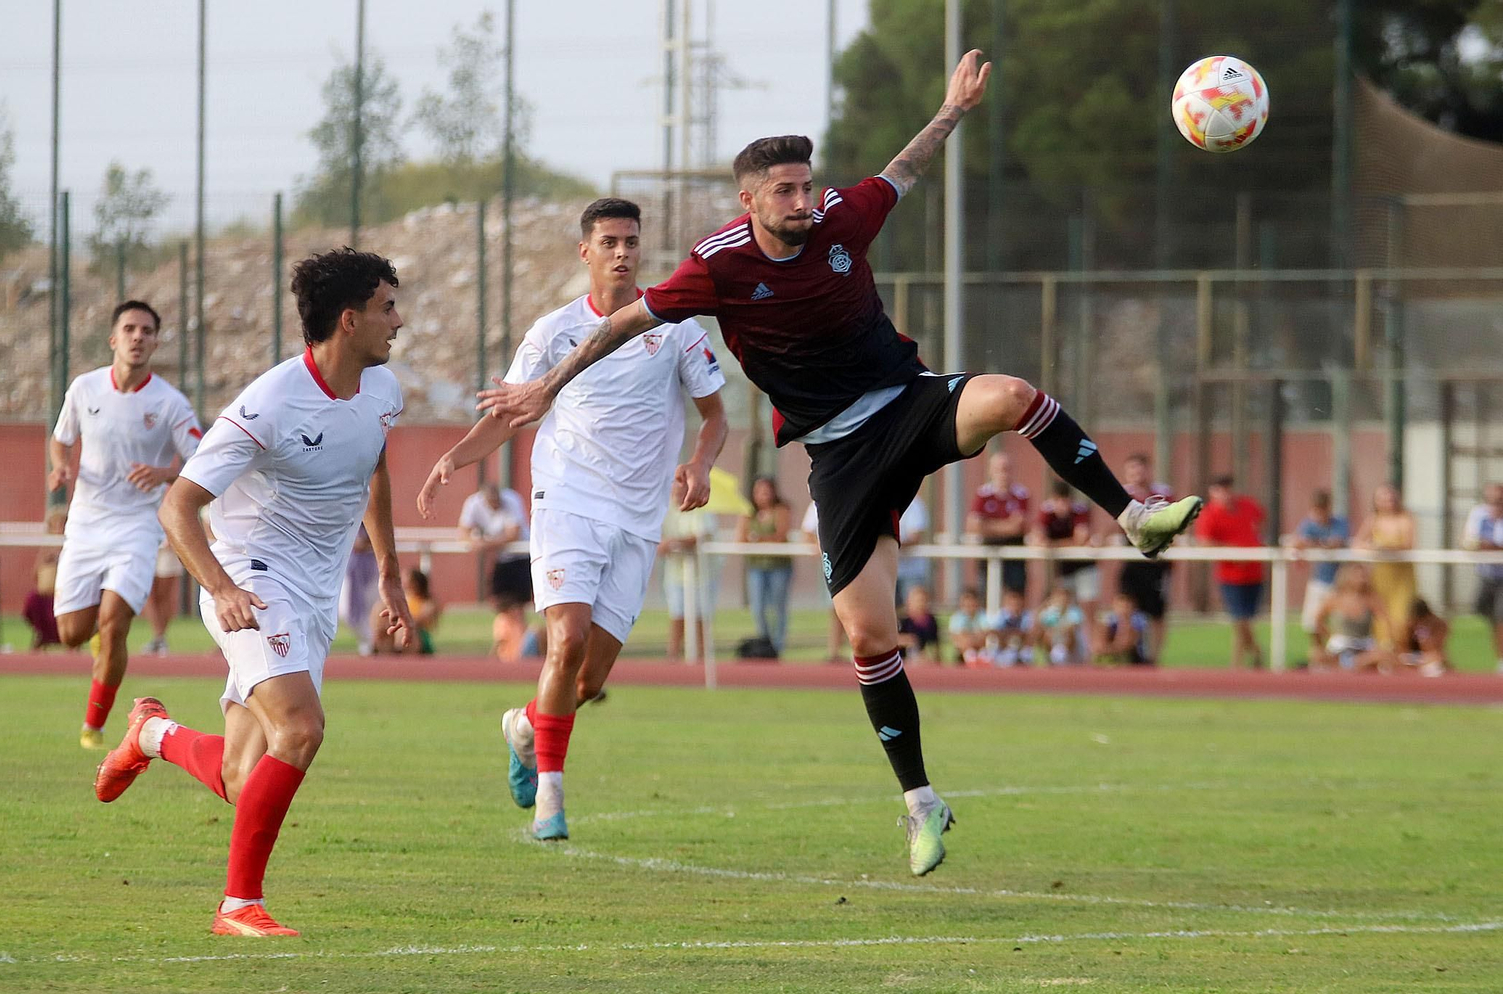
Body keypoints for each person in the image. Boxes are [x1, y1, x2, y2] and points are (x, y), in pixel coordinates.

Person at [474, 54, 1201, 876]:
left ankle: (1133, 515)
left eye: (806, 184)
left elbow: (903, 169)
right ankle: (921, 804)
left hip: (907, 402)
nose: (803, 200)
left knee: (1008, 394)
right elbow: (622, 325)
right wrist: (545, 385)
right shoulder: (716, 266)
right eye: (783, 190)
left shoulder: (843, 220)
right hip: (839, 456)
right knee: (868, 633)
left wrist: (952, 109)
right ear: (749, 200)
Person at [92, 248, 413, 937]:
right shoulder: (268, 404)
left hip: (314, 593)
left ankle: (150, 733)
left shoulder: (384, 391)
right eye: (389, 307)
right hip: (252, 580)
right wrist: (221, 587)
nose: (400, 320)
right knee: (301, 728)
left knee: (244, 777)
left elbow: (374, 465)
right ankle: (238, 904)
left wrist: (388, 568)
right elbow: (177, 507)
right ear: (350, 320)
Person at [416, 197, 727, 842]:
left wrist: (699, 462)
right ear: (585, 251)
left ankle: (525, 727)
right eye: (609, 241)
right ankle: (551, 803)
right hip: (567, 503)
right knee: (566, 640)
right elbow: (509, 412)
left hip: (639, 520)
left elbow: (717, 416)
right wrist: (455, 456)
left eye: (631, 241)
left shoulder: (677, 328)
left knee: (587, 678)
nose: (622, 252)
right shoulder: (554, 331)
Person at [49, 301, 203, 747]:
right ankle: (98, 639)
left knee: (115, 623)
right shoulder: (84, 388)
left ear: (155, 342)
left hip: (138, 526)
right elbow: (61, 441)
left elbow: (203, 458)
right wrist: (60, 468)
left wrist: (163, 473)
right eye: (130, 329)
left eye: (147, 330)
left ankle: (93, 727)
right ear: (114, 339)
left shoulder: (170, 403)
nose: (138, 336)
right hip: (86, 523)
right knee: (72, 634)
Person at [1194, 475, 1266, 669]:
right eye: (1220, 490)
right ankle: (1248, 658)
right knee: (1239, 619)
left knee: (1247, 619)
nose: (1226, 494)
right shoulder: (1209, 514)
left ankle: (1242, 662)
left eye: (1228, 489)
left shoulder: (1248, 506)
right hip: (1230, 576)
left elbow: (1260, 524)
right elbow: (1205, 543)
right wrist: (1233, 551)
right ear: (1212, 492)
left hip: (1254, 571)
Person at [1115, 453, 1176, 663]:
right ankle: (1129, 650)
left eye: (1140, 468)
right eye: (1132, 469)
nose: (1136, 474)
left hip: (1157, 561)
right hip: (1132, 558)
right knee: (1124, 606)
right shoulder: (1120, 492)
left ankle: (1154, 659)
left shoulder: (1163, 494)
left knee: (1157, 613)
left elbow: (1174, 523)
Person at [1288, 489, 1351, 659]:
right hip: (1320, 580)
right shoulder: (1309, 524)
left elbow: (1336, 543)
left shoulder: (1340, 523)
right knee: (1313, 621)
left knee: (1340, 622)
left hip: (1340, 582)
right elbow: (1297, 541)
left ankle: (1338, 655)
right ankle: (1318, 654)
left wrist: (1314, 543)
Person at [738, 477, 794, 655]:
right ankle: (765, 643)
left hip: (778, 567)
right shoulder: (749, 513)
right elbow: (741, 538)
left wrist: (757, 539)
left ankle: (778, 646)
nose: (762, 495)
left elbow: (780, 536)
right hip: (756, 567)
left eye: (766, 490)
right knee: (757, 607)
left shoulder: (781, 510)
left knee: (778, 607)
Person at [1034, 481, 1098, 634]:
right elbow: (1038, 538)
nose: (1061, 505)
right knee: (1061, 607)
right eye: (1057, 501)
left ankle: (1090, 649)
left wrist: (1054, 544)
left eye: (1064, 501)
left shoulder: (1080, 510)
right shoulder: (1046, 512)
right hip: (1063, 568)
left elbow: (1080, 539)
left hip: (1085, 566)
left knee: (1087, 608)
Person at [1353, 482, 1417, 634]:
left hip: (1402, 576)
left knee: (1402, 615)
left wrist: (1386, 548)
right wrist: (1371, 548)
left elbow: (1408, 545)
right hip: (1381, 575)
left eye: (1390, 497)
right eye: (1382, 498)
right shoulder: (1374, 519)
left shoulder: (1405, 518)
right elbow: (1358, 542)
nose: (1388, 501)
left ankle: (1401, 649)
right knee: (1382, 616)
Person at [659, 501, 718, 661]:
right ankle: (673, 656)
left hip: (702, 574)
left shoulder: (701, 508)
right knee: (677, 613)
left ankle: (702, 658)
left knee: (701, 615)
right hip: (675, 572)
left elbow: (701, 535)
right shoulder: (666, 508)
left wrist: (675, 543)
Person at [459, 482, 531, 609]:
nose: (495, 504)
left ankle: (518, 626)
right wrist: (474, 541)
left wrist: (485, 544)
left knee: (520, 602)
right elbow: (463, 531)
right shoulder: (473, 503)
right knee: (499, 601)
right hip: (501, 558)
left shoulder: (512, 499)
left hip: (521, 555)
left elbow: (514, 534)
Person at [966, 451, 1030, 595]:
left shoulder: (1021, 493)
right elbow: (973, 526)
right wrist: (1006, 525)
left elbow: (1018, 527)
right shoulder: (982, 494)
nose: (1002, 474)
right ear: (990, 471)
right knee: (986, 595)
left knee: (1016, 595)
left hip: (1014, 554)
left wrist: (987, 525)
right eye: (998, 469)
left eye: (1006, 469)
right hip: (988, 551)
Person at [1312, 564, 1390, 672]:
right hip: (1339, 647)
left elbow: (1386, 621)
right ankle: (1349, 665)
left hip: (1364, 647)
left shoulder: (1371, 599)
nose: (1362, 579)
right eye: (1358, 575)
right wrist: (1327, 636)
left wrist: (1385, 643)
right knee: (1317, 656)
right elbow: (1317, 620)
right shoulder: (1334, 598)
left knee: (1383, 656)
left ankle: (1350, 665)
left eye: (1364, 575)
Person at [1461, 482, 1503, 673]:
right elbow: (1469, 540)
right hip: (1486, 575)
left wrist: (1491, 546)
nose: (1495, 504)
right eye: (1491, 500)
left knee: (1501, 617)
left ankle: (1501, 659)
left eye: (1499, 500)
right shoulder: (1479, 514)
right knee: (1483, 613)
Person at [801, 500, 848, 662]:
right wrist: (827, 550)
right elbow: (807, 531)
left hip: (856, 561)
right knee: (836, 609)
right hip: (834, 564)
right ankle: (835, 650)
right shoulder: (821, 498)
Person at [23, 505, 66, 650]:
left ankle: (67, 637)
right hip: (47, 592)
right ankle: (44, 635)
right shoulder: (46, 546)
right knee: (33, 600)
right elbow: (35, 574)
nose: (59, 528)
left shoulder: (75, 545)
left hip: (66, 592)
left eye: (62, 524)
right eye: (55, 525)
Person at [376, 568, 442, 655]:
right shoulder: (402, 599)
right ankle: (381, 653)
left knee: (404, 627)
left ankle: (399, 650)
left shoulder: (428, 603)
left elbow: (420, 620)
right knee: (384, 622)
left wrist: (401, 622)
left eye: (406, 578)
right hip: (396, 633)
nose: (402, 581)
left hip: (418, 637)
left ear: (416, 583)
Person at [338, 525, 379, 656]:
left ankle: (371, 644)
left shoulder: (371, 515)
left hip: (371, 569)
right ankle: (367, 640)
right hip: (349, 569)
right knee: (347, 611)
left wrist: (364, 544)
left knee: (371, 608)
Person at [140, 543, 182, 656]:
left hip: (168, 547)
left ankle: (159, 638)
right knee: (147, 594)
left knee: (165, 595)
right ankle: (159, 637)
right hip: (144, 545)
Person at [980, 586, 1035, 667]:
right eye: (1012, 604)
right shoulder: (1001, 615)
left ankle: (1022, 658)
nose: (1014, 606)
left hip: (1019, 646)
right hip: (1003, 646)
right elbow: (994, 631)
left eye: (1017, 604)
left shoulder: (1026, 615)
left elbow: (1027, 632)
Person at [1398, 598, 1450, 677]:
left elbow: (1434, 649)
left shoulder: (1439, 624)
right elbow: (1402, 646)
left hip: (1430, 657)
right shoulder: (1409, 624)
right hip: (1411, 657)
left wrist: (1422, 633)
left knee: (1436, 658)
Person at [1096, 591, 1151, 666]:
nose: (1123, 609)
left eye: (1126, 606)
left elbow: (1125, 645)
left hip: (1135, 659)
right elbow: (1098, 646)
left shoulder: (1138, 621)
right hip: (1114, 653)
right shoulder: (1110, 620)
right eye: (1120, 606)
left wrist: (1124, 622)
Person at [895, 495, 932, 607]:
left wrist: (889, 543)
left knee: (914, 611)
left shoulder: (915, 505)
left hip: (911, 571)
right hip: (889, 568)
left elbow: (915, 537)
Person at [1037, 584, 1085, 664]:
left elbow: (1071, 629)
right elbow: (1044, 628)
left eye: (1064, 596)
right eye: (1058, 597)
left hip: (1074, 648)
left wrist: (1058, 630)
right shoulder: (1050, 612)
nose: (1062, 599)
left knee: (1070, 633)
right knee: (1045, 634)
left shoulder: (1074, 611)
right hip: (1056, 644)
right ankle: (1048, 657)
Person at [897, 584, 941, 664]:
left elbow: (935, 645)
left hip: (922, 661)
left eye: (924, 600)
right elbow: (888, 642)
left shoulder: (930, 621)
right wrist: (905, 640)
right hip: (901, 661)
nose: (921, 604)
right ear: (909, 602)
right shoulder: (901, 620)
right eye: (918, 601)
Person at [947, 588, 987, 665]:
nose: (970, 606)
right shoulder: (957, 617)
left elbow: (985, 634)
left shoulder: (982, 615)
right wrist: (971, 641)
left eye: (972, 603)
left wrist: (974, 640)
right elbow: (959, 637)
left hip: (980, 649)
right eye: (967, 603)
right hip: (964, 650)